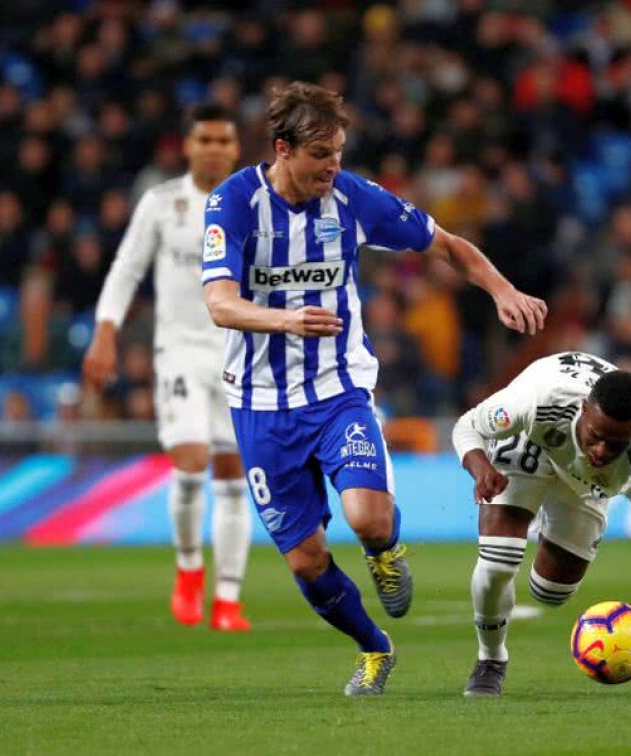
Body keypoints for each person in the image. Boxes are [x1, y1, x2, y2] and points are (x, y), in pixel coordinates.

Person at [201, 82, 547, 696]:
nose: (333, 165)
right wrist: (285, 319)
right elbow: (220, 304)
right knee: (306, 560)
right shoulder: (233, 204)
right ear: (282, 149)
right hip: (259, 405)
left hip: (339, 391)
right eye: (320, 154)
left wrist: (502, 291)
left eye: (338, 151)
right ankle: (374, 648)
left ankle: (386, 551)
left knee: (366, 516)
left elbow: (446, 245)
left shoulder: (353, 198)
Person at [451, 351, 631, 699]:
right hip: (531, 445)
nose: (602, 450)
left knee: (551, 593)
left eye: (616, 444)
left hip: (584, 486)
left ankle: (550, 512)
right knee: (499, 561)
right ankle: (491, 659)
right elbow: (467, 425)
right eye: (597, 435)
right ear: (585, 410)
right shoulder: (539, 400)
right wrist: (481, 468)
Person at [84, 103, 252, 632]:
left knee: (232, 477)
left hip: (241, 353)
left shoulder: (255, 203)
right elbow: (126, 270)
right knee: (189, 462)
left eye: (224, 141)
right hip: (179, 350)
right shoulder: (162, 203)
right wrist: (105, 333)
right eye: (205, 140)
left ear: (234, 147)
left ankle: (227, 600)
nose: (215, 149)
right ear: (188, 145)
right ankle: (188, 569)